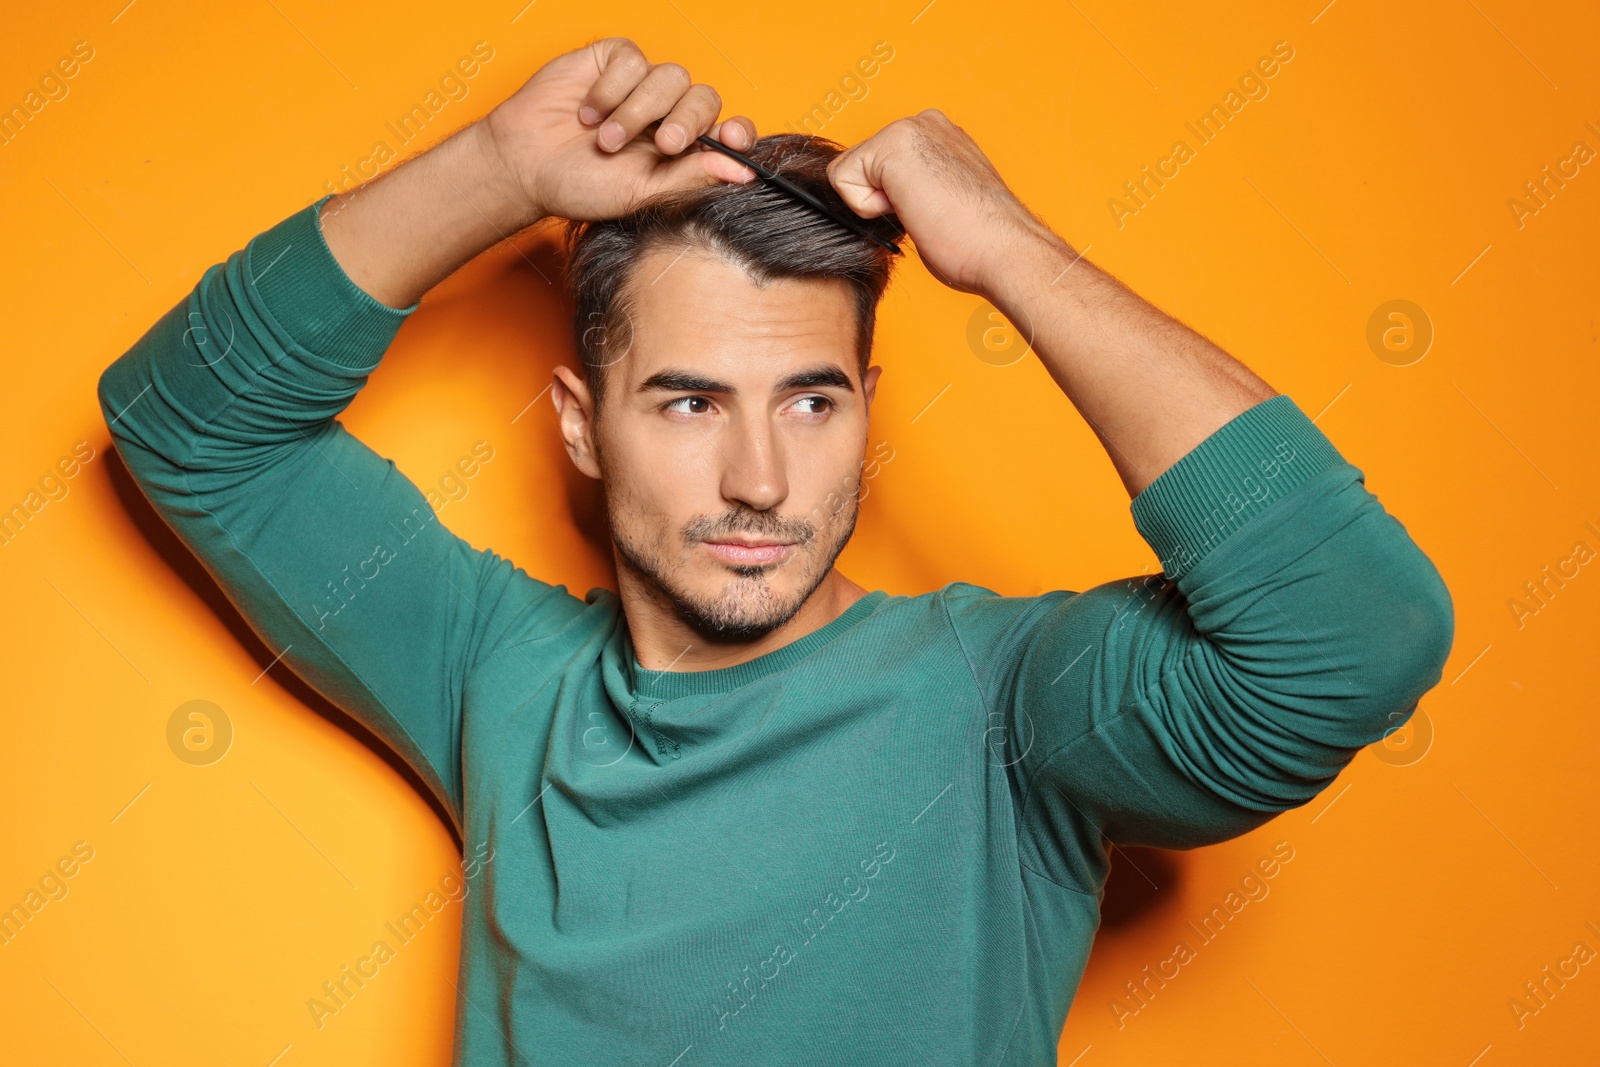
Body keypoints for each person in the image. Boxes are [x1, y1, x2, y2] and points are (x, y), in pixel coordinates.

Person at [97, 36, 1453, 1067]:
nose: (759, 482)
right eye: (690, 403)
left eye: (810, 401)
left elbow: (1356, 633)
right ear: (584, 429)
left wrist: (1005, 250)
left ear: (866, 411)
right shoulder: (499, 673)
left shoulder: (1003, 705)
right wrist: (500, 169)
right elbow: (186, 421)